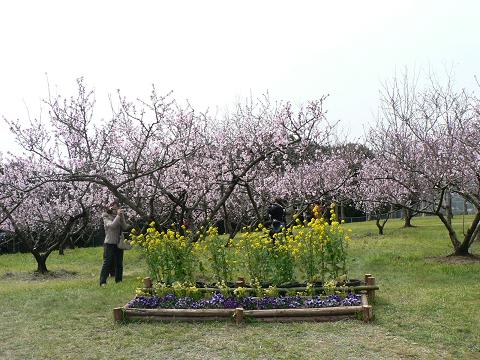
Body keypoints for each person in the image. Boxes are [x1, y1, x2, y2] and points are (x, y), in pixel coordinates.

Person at [99, 200, 129, 286]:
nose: (115, 209)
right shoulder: (106, 216)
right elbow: (111, 226)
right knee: (108, 262)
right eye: (113, 206)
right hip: (110, 242)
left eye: (116, 207)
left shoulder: (119, 216)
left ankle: (119, 281)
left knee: (119, 262)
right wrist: (118, 216)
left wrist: (121, 216)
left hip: (119, 242)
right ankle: (102, 282)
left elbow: (125, 227)